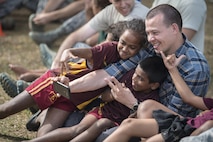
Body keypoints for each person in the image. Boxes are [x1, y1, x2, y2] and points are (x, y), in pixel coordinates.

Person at [55, 4, 210, 141]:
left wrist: (133, 104)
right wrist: (67, 88)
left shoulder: (195, 68)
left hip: (154, 127)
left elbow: (173, 123)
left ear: (174, 29)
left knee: (102, 134)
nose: (150, 38)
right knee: (76, 121)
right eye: (148, 33)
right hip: (122, 110)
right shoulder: (151, 47)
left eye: (155, 33)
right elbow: (110, 73)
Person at [0, 19, 147, 137]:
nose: (125, 49)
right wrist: (69, 51)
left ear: (140, 49)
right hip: (55, 83)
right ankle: (37, 107)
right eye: (123, 42)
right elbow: (86, 52)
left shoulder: (133, 68)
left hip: (72, 99)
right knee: (7, 109)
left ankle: (40, 115)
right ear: (118, 39)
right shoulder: (110, 49)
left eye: (132, 47)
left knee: (44, 136)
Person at [23, 55, 168, 142]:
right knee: (78, 129)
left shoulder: (152, 100)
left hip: (118, 123)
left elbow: (138, 120)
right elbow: (104, 96)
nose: (135, 79)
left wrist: (130, 103)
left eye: (141, 79)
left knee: (102, 124)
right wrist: (114, 95)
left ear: (154, 85)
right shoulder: (129, 77)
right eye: (136, 74)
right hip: (102, 111)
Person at [103, 51, 213, 142]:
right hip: (186, 124)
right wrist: (172, 69)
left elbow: (207, 127)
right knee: (147, 106)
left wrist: (191, 138)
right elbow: (189, 98)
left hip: (186, 132)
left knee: (129, 125)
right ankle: (144, 137)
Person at [50, 0, 149, 69]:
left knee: (80, 50)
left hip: (124, 66)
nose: (123, 4)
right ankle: (54, 63)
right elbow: (76, 36)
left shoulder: (138, 15)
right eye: (117, 0)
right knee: (77, 48)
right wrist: (57, 60)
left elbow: (105, 49)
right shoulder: (110, 11)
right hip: (107, 60)